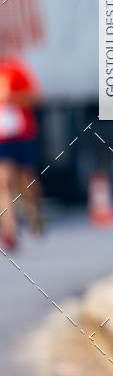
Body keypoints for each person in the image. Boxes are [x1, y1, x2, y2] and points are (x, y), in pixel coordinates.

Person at [0, 33, 43, 250]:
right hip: (2, 138)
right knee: (4, 180)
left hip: (22, 133)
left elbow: (36, 97)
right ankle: (10, 230)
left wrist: (13, 99)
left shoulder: (15, 70)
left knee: (26, 180)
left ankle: (34, 214)